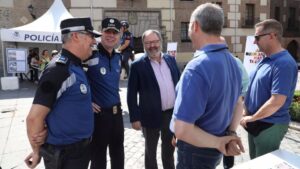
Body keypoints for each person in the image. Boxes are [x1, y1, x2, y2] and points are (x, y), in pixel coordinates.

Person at [169, 3, 245, 169]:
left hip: (196, 149)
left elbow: (182, 130)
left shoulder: (197, 67)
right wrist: (229, 134)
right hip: (213, 148)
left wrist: (219, 142)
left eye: (189, 27)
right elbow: (239, 103)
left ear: (195, 26)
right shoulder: (234, 62)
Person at [24, 17, 100, 169]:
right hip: (65, 154)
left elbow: (66, 98)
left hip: (78, 150)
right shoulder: (59, 70)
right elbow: (34, 118)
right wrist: (36, 151)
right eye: (91, 36)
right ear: (75, 36)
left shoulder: (75, 65)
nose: (94, 42)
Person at [240, 19, 298, 159]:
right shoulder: (266, 60)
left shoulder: (283, 63)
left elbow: (277, 101)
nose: (254, 42)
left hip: (269, 125)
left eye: (257, 37)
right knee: (255, 163)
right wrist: (245, 113)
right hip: (257, 123)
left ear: (272, 36)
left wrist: (251, 118)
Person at [127, 29, 181, 169]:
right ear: (144, 44)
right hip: (149, 116)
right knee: (150, 152)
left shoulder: (171, 60)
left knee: (169, 150)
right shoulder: (137, 66)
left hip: (171, 114)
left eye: (155, 42)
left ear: (160, 42)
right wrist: (134, 117)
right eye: (148, 43)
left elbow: (179, 85)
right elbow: (131, 94)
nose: (152, 46)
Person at [87, 18, 124, 169]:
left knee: (118, 153)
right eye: (107, 31)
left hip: (117, 114)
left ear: (119, 35)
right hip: (99, 116)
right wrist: (86, 101)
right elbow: (77, 79)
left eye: (114, 32)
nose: (111, 35)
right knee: (98, 157)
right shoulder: (90, 54)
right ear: (101, 32)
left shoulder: (118, 56)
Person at [220, 36, 249, 169]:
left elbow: (244, 85)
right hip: (232, 110)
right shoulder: (236, 61)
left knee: (226, 136)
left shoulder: (211, 61)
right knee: (229, 136)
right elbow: (245, 85)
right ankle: (228, 165)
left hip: (222, 111)